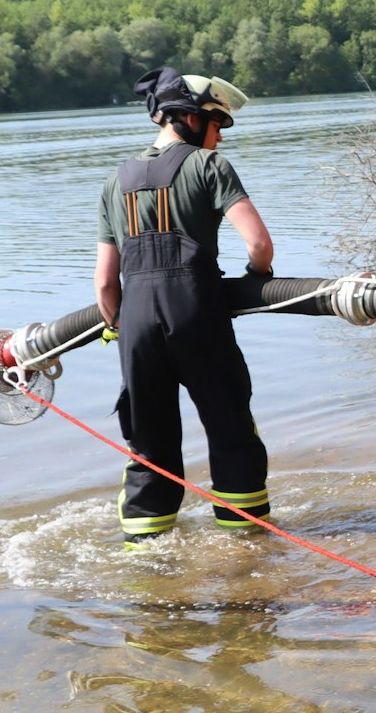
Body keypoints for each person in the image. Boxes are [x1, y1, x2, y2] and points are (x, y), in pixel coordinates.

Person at [95, 67, 277, 549]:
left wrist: (117, 326)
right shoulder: (209, 167)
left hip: (135, 323)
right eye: (217, 123)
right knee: (229, 426)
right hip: (197, 312)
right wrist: (257, 281)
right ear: (188, 118)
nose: (220, 135)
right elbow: (259, 243)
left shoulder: (115, 181)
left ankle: (145, 553)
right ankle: (248, 548)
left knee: (150, 442)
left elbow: (104, 282)